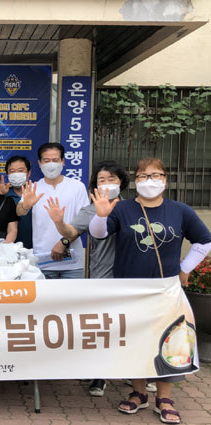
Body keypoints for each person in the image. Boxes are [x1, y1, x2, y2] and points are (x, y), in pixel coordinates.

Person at [89, 157, 211, 424]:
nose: (150, 181)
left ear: (165, 180)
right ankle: (139, 392)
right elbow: (99, 234)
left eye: (156, 175)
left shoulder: (180, 211)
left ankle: (164, 398)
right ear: (136, 181)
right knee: (134, 341)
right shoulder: (122, 209)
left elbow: (204, 240)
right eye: (143, 176)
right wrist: (101, 215)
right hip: (129, 289)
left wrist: (185, 268)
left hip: (165, 289)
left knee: (171, 342)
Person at [44, 159, 129, 397]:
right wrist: (59, 223)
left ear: (121, 182)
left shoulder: (133, 207)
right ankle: (99, 375)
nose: (107, 184)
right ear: (95, 186)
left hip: (131, 277)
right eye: (102, 180)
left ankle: (135, 372)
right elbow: (72, 232)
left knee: (130, 326)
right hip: (102, 276)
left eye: (112, 179)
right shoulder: (90, 211)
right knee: (103, 326)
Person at [16, 142, 89, 279]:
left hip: (73, 264)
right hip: (43, 262)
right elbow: (20, 212)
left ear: (63, 162)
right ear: (39, 163)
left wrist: (64, 243)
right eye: (46, 160)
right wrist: (25, 205)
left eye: (55, 160)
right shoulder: (34, 187)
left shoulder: (77, 187)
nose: (51, 165)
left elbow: (83, 223)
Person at [0, 155, 33, 248]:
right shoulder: (4, 195)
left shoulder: (38, 193)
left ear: (28, 173)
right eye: (12, 171)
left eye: (20, 170)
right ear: (7, 175)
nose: (16, 174)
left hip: (36, 248)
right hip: (10, 248)